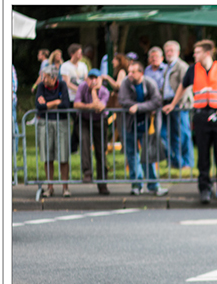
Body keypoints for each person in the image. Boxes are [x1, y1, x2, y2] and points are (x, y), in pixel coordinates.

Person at [163, 40, 217, 204]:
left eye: (197, 52)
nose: (194, 55)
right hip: (200, 116)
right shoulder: (193, 69)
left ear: (207, 53)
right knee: (203, 156)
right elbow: (182, 86)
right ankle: (205, 190)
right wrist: (173, 104)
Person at [119, 60, 169, 197]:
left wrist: (139, 107)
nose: (130, 74)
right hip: (130, 125)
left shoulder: (150, 83)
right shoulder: (125, 83)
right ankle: (136, 184)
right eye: (129, 71)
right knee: (132, 154)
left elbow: (157, 101)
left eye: (133, 72)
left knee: (148, 154)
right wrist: (143, 107)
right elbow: (123, 100)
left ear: (141, 73)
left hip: (148, 125)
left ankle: (153, 185)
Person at [34, 65, 72, 197]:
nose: (43, 80)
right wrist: (56, 102)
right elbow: (39, 106)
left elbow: (66, 104)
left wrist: (48, 104)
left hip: (61, 122)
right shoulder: (41, 87)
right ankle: (50, 187)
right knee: (47, 156)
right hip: (46, 123)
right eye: (42, 77)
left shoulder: (62, 85)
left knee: (63, 156)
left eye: (45, 77)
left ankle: (65, 188)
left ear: (54, 77)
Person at [73, 68, 110, 194]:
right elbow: (76, 104)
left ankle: (102, 182)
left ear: (100, 79)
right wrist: (90, 107)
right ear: (87, 79)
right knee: (84, 141)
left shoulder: (105, 91)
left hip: (99, 121)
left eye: (96, 78)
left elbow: (100, 107)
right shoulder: (82, 87)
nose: (93, 81)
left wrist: (94, 92)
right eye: (91, 78)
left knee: (101, 150)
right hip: (84, 120)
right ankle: (87, 172)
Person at [161, 40, 191, 170]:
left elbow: (185, 86)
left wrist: (177, 104)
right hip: (168, 103)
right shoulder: (167, 67)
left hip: (180, 105)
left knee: (183, 134)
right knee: (171, 134)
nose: (169, 53)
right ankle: (176, 162)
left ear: (178, 52)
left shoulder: (181, 66)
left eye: (171, 50)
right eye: (167, 50)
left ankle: (186, 163)